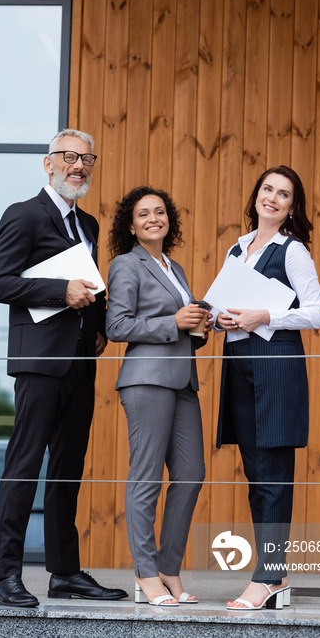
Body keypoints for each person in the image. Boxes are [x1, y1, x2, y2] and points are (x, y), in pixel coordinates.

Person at [0, 129, 127, 607]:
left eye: (87, 159)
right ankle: (6, 577)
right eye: (69, 158)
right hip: (40, 362)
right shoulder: (23, 215)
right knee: (23, 466)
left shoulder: (88, 223)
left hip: (82, 360)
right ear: (48, 164)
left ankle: (64, 573)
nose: (78, 166)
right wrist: (58, 290)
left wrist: (101, 323)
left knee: (67, 470)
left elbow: (91, 285)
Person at [214, 165, 320, 611]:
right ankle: (271, 574)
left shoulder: (293, 251)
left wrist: (267, 316)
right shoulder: (236, 248)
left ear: (291, 207)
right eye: (267, 189)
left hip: (276, 366)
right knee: (256, 476)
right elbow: (225, 308)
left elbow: (317, 313)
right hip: (239, 365)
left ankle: (268, 576)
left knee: (274, 477)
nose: (273, 198)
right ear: (256, 195)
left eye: (283, 194)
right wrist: (219, 318)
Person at [106, 186, 210, 607]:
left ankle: (169, 569)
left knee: (191, 474)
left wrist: (199, 326)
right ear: (130, 226)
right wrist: (174, 321)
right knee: (146, 477)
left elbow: (179, 328)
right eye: (144, 214)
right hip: (146, 382)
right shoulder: (125, 265)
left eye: (160, 212)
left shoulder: (176, 268)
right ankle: (146, 575)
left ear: (170, 220)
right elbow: (118, 326)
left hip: (182, 381)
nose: (154, 218)